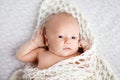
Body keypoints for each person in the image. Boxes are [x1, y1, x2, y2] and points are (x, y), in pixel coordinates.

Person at [16, 12, 90, 70]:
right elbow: (21, 56)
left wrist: (87, 47)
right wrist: (35, 43)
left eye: (73, 37)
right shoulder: (41, 53)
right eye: (60, 36)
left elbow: (90, 65)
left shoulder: (79, 56)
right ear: (47, 40)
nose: (68, 41)